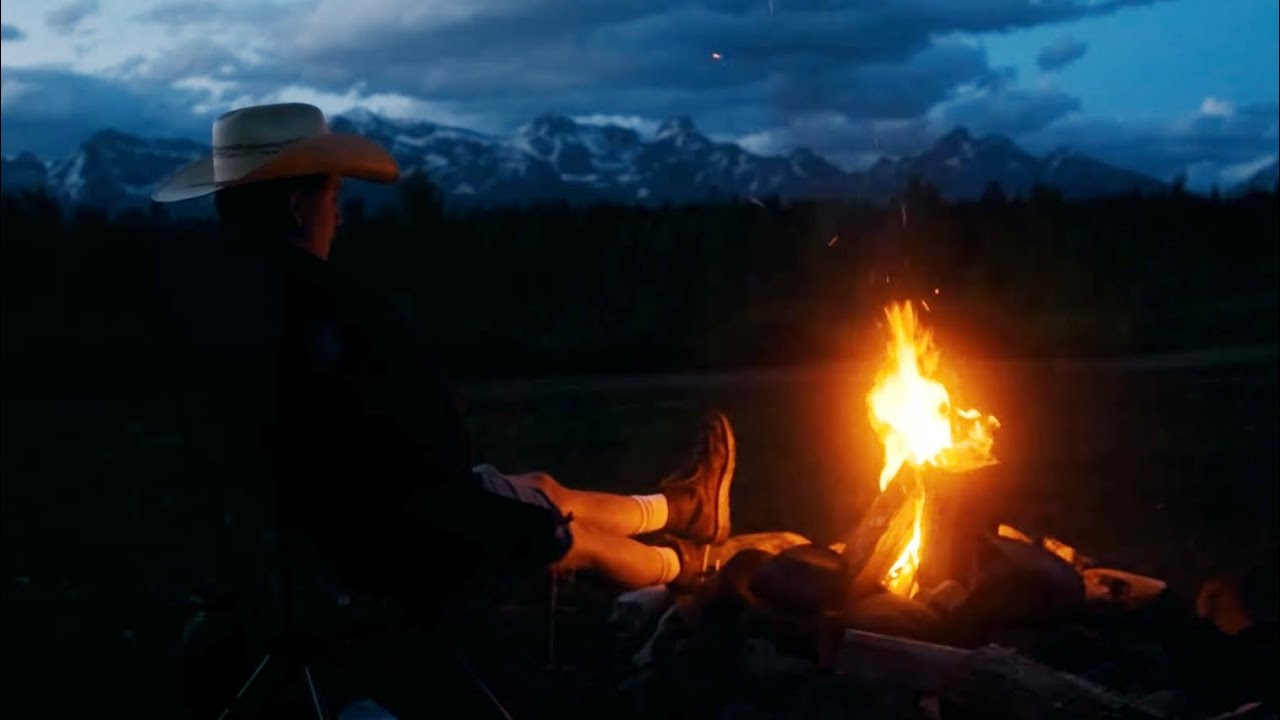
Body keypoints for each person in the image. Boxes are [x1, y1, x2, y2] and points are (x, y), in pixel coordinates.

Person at [151, 102, 739, 619]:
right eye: (335, 197)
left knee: (534, 488)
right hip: (377, 542)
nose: (341, 215)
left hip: (291, 538)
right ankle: (685, 567)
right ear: (301, 206)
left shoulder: (199, 300)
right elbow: (441, 451)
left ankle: (683, 507)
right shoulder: (334, 307)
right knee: (552, 525)